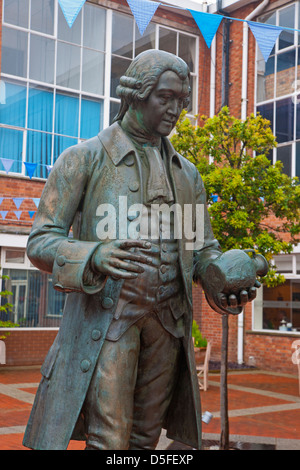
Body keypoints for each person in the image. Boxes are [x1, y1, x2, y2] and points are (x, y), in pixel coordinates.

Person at [23, 50, 258, 450]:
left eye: (181, 101)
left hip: (169, 323)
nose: (175, 110)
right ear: (136, 93)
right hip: (111, 320)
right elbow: (40, 241)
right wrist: (93, 256)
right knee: (109, 438)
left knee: (145, 438)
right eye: (165, 97)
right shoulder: (84, 158)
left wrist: (221, 278)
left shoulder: (188, 174)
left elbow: (203, 249)